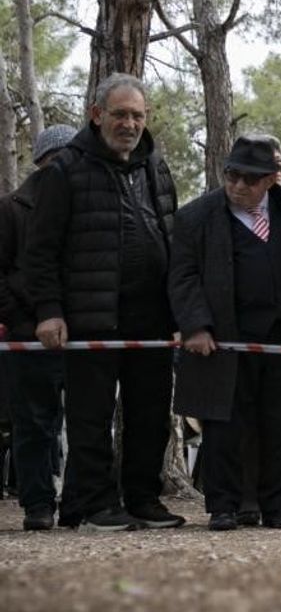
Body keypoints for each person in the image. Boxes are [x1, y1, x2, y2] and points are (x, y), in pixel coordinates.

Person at [23, 74, 184, 531]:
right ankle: (92, 504)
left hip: (151, 316)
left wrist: (179, 313)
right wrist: (49, 311)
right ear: (97, 115)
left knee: (151, 414)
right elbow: (41, 250)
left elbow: (170, 236)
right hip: (91, 315)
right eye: (120, 114)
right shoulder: (64, 170)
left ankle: (143, 499)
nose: (129, 123)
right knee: (90, 418)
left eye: (137, 115)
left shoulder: (156, 165)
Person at [168, 137, 281, 531]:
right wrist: (195, 325)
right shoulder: (196, 217)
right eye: (231, 175)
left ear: (271, 179)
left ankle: (278, 505)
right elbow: (182, 276)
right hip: (224, 341)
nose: (238, 186)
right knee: (225, 425)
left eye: (250, 179)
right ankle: (225, 506)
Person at [0, 124, 76, 530]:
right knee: (33, 425)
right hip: (28, 341)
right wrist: (25, 323)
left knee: (84, 424)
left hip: (81, 338)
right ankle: (37, 505)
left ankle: (80, 503)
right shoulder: (10, 209)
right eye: (58, 160)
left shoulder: (81, 206)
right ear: (44, 161)